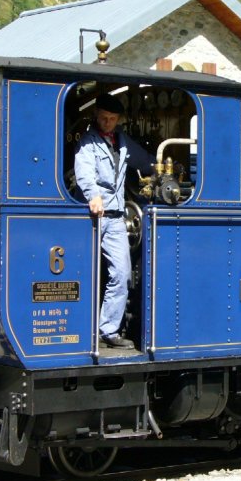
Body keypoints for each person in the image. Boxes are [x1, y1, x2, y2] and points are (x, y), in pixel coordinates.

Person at [74, 94, 154, 350]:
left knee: (122, 273)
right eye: (104, 118)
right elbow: (85, 173)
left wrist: (161, 167)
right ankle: (79, 328)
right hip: (93, 216)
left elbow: (145, 161)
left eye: (112, 119)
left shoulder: (123, 142)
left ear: (118, 120)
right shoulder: (88, 142)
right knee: (83, 273)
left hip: (117, 216)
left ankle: (108, 330)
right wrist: (93, 196)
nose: (108, 123)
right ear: (96, 116)